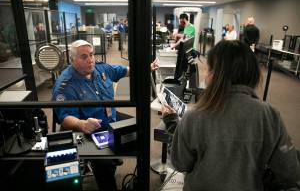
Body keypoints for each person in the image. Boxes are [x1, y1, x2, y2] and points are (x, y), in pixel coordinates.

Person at [162, 40, 300, 190]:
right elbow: (290, 173)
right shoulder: (270, 115)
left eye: (207, 70)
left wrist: (171, 123)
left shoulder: (194, 116)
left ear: (215, 75)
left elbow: (180, 163)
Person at [52, 40, 159, 190]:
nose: (90, 60)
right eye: (84, 57)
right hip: (90, 129)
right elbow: (64, 117)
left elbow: (124, 70)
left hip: (111, 118)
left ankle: (123, 161)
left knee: (140, 129)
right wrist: (81, 124)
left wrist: (145, 68)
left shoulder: (101, 69)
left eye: (91, 55)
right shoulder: (65, 84)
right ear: (72, 59)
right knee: (105, 163)